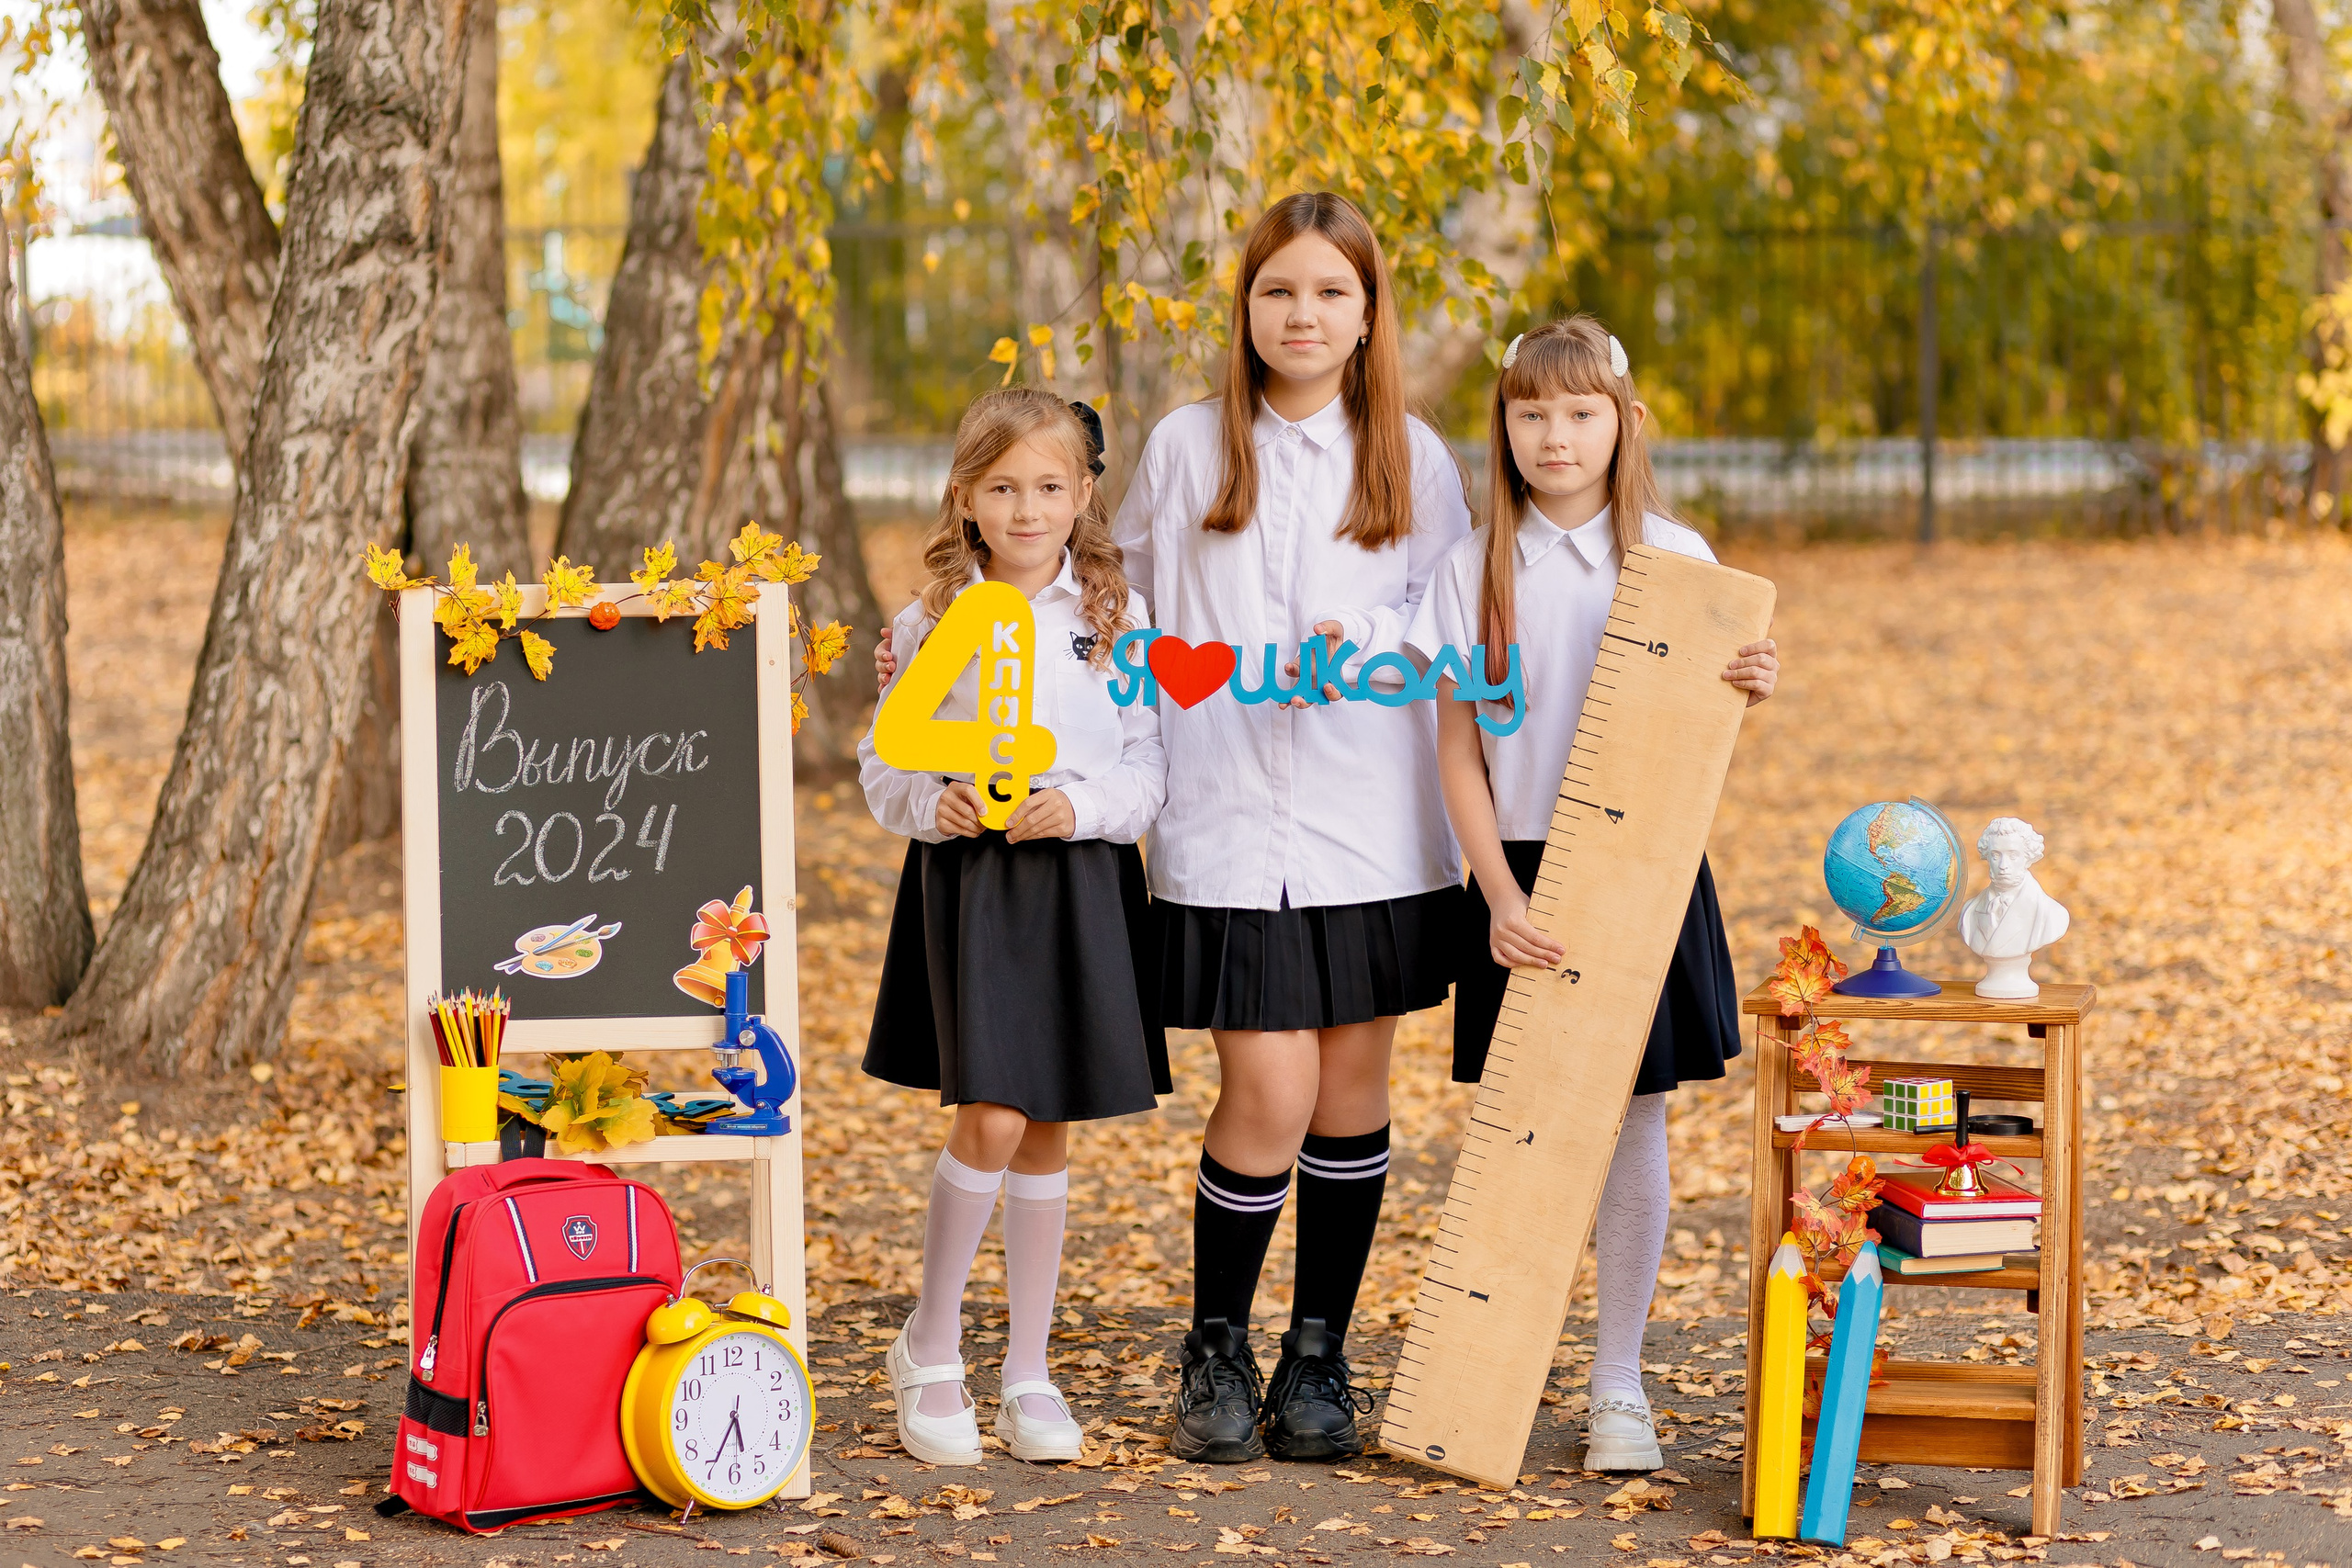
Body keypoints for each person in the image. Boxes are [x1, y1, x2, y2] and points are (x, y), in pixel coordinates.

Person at [1115, 191, 1473, 1462]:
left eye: (1330, 291)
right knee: (1264, 1084)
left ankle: (1319, 1347)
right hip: (1224, 820)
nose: (1303, 313)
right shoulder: (1185, 446)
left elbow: (1454, 608)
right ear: (1246, 308)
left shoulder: (1412, 457)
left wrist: (1363, 644)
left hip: (1365, 823)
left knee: (1349, 1092)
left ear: (1369, 311)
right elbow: (1116, 604)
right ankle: (1217, 1335)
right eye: (1279, 292)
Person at [1406, 315, 1779, 1473]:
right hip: (1518, 869)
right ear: (1503, 426)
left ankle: (1618, 1381)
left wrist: (1748, 682)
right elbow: (1455, 752)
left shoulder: (1677, 555)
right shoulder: (1469, 567)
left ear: (1623, 423)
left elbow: (1697, 726)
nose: (1554, 437)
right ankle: (1498, 1371)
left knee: (1633, 1118)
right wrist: (1496, 894)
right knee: (1526, 1125)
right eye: (1529, 414)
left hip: (1645, 865)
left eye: (1579, 414)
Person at [859, 388, 1170, 1468]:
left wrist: (1079, 809)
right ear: (966, 498)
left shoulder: (1115, 623)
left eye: (1048, 487)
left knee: (1046, 1124)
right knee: (989, 1109)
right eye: (1003, 489)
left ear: (1083, 494)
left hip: (1076, 879)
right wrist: (926, 805)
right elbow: (884, 766)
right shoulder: (930, 624)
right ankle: (930, 1343)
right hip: (976, 882)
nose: (1028, 509)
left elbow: (1145, 767)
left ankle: (1027, 1371)